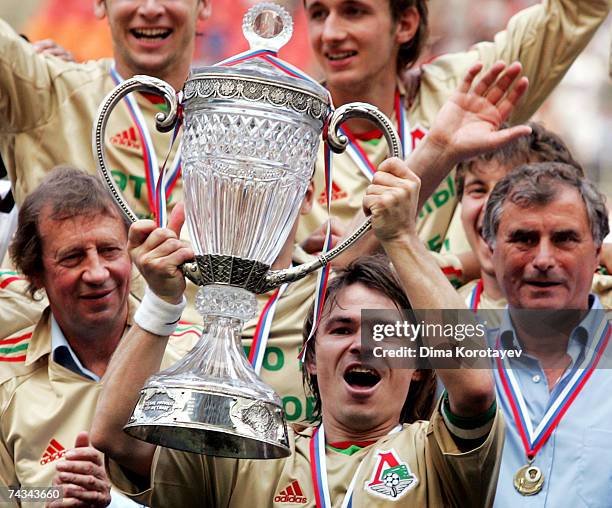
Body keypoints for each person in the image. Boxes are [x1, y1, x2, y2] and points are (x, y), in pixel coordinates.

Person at [90, 161, 503, 506]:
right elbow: (116, 436)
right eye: (341, 329)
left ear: (417, 364)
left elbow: (475, 387)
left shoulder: (439, 456)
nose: (362, 344)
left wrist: (401, 237)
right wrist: (162, 302)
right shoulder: (251, 453)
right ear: (309, 355)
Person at [297, 0, 610, 282]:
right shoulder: (287, 138)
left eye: (354, 12)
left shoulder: (467, 86)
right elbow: (313, 285)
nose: (331, 33)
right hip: (362, 338)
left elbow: (582, 8)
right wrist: (461, 264)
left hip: (472, 337)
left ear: (405, 23)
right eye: (319, 14)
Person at [0, 167, 199, 506]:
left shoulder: (190, 353)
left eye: (109, 251)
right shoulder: (5, 379)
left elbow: (220, 490)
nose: (96, 273)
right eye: (73, 257)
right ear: (35, 273)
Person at [0, 0, 210, 218]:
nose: (150, 9)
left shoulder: (234, 126)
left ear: (203, 4)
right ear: (101, 3)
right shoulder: (46, 90)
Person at [478, 162, 611, 506]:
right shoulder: (450, 360)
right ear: (490, 250)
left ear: (598, 251)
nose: (543, 259)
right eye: (523, 239)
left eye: (565, 239)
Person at [455, 121, 612, 314]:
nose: (491, 205)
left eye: (516, 190)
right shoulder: (434, 311)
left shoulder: (605, 300)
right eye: (478, 190)